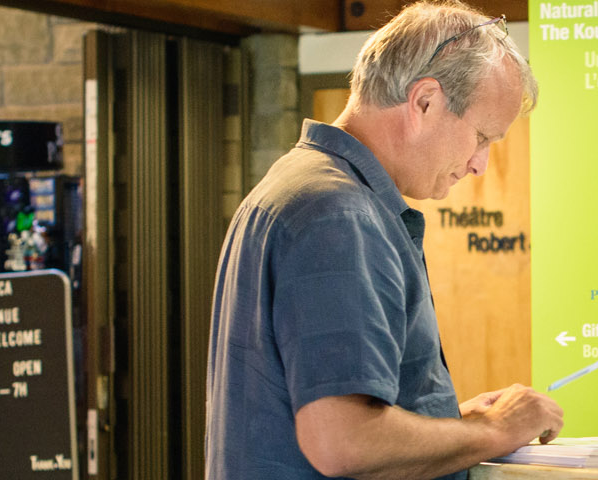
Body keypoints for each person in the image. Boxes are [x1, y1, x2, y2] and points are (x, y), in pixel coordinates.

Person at [206, 1, 559, 479]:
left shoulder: (300, 185)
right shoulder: (339, 213)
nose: (480, 165)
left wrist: (451, 425)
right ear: (425, 102)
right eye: (481, 137)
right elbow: (342, 441)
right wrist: (496, 429)